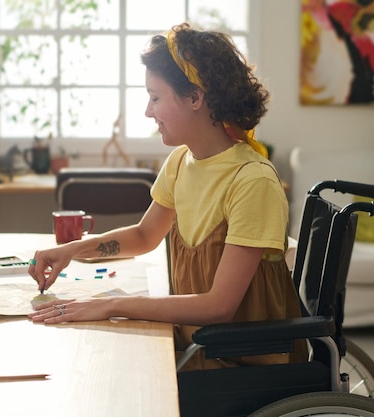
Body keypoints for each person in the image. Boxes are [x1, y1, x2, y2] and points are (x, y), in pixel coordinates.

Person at [28, 23, 307, 370]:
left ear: (195, 98)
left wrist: (113, 305)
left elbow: (218, 307)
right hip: (195, 345)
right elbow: (145, 235)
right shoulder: (180, 162)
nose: (148, 111)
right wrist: (72, 250)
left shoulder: (253, 182)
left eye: (155, 97)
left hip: (240, 363)